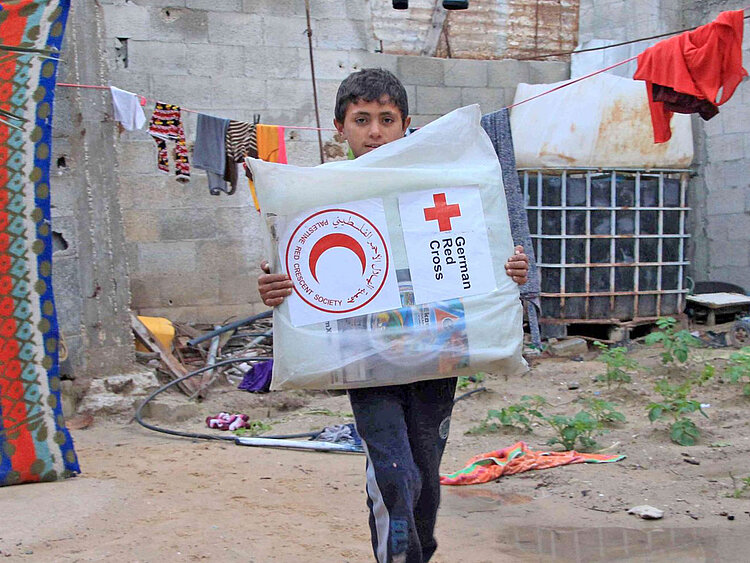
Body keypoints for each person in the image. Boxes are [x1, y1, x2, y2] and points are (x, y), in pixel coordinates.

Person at [258, 68, 529, 563]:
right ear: (340, 127)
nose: (375, 131)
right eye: (362, 119)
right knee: (393, 473)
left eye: (387, 119)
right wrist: (277, 286)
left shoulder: (437, 183)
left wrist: (507, 266)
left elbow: (477, 253)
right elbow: (298, 272)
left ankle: (418, 555)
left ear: (407, 123)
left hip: (438, 349)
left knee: (425, 474)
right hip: (366, 356)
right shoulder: (316, 196)